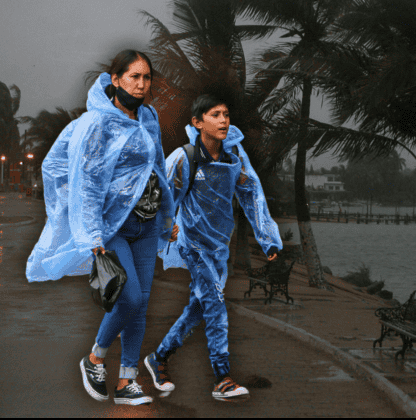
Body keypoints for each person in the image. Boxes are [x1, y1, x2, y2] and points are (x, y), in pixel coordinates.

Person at [25, 50, 178, 405]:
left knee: (142, 306)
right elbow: (88, 183)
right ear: (115, 79)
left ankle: (127, 382)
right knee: (130, 297)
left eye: (146, 77)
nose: (141, 85)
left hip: (148, 223)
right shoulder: (98, 123)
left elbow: (156, 169)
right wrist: (92, 236)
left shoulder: (149, 116)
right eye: (133, 77)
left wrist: (168, 218)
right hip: (113, 226)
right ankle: (95, 358)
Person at [142, 93, 282, 402]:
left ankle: (159, 358)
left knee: (198, 310)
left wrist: (268, 237)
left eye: (226, 114)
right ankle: (222, 377)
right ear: (197, 122)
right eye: (215, 114)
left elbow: (252, 194)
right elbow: (161, 196)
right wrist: (164, 229)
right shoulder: (186, 157)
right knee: (215, 305)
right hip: (194, 246)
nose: (223, 120)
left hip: (221, 249)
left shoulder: (234, 158)